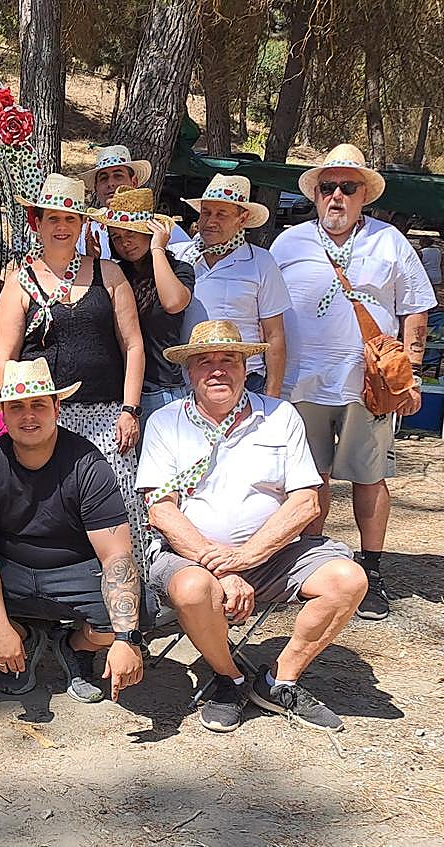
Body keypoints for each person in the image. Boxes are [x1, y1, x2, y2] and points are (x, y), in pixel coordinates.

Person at [138, 319, 367, 733]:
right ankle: (230, 678)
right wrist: (222, 570)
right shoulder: (165, 422)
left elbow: (304, 501)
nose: (217, 370)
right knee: (192, 589)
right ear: (189, 372)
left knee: (347, 580)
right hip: (191, 561)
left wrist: (246, 558)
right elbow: (160, 509)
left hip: (272, 555)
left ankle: (280, 682)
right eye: (204, 361)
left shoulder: (280, 416)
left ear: (247, 368)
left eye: (229, 359)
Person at [270, 144, 437, 621]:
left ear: (365, 195)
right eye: (328, 187)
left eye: (349, 187)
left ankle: (373, 568)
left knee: (370, 476)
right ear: (315, 195)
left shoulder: (389, 242)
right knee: (309, 478)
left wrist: (413, 374)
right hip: (303, 383)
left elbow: (415, 309)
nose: (337, 196)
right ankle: (312, 567)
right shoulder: (289, 243)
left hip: (371, 384)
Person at [0, 358, 147, 702]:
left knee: (137, 612)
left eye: (38, 405)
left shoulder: (87, 462)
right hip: (9, 568)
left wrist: (125, 640)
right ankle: (23, 638)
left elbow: (116, 554)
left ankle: (76, 646)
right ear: (4, 414)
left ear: (56, 407)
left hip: (74, 570)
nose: (28, 416)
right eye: (16, 407)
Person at [0, 173, 149, 567]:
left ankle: (127, 597)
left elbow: (132, 345)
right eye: (52, 219)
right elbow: (5, 356)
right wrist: (19, 414)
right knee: (54, 507)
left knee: (116, 505)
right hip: (46, 417)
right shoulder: (19, 284)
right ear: (37, 223)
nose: (61, 227)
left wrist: (129, 410)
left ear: (83, 225)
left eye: (70, 219)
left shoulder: (108, 275)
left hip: (106, 416)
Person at [174, 174, 289, 397]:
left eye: (221, 214)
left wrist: (272, 394)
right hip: (186, 380)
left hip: (245, 380)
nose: (210, 221)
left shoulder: (260, 262)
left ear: (242, 218)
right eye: (206, 212)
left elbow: (274, 333)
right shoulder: (180, 256)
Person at [91, 186, 197, 426]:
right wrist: (95, 263)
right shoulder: (116, 272)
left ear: (150, 232)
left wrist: (157, 248)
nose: (124, 243)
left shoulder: (179, 269)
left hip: (161, 389)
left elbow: (173, 303)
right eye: (117, 237)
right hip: (121, 391)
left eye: (131, 233)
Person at [77, 144, 190, 259]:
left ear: (134, 182)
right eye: (103, 178)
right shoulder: (82, 233)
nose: (111, 183)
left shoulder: (164, 228)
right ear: (96, 187)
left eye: (118, 176)